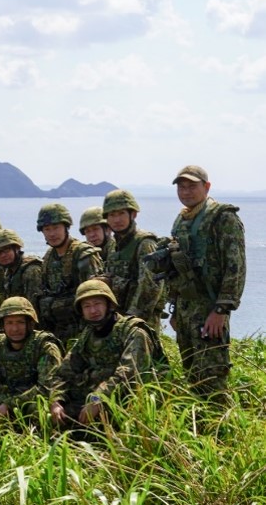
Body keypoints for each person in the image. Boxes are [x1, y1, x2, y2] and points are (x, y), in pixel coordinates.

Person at [161, 165, 246, 402]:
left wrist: (221, 311)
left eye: (192, 186)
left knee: (212, 378)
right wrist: (175, 309)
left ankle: (220, 423)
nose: (186, 192)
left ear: (207, 187)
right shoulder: (182, 220)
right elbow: (177, 269)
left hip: (210, 309)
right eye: (181, 187)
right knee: (192, 375)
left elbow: (235, 267)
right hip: (186, 310)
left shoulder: (223, 217)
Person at [49, 280, 164, 430]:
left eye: (97, 304)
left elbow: (129, 374)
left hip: (133, 398)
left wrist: (97, 399)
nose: (93, 311)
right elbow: (64, 372)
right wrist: (57, 400)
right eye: (87, 306)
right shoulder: (88, 334)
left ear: (109, 305)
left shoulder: (133, 331)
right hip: (100, 396)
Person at [0, 297, 63, 426]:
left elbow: (47, 387)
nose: (15, 328)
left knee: (40, 409)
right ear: (3, 325)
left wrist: (9, 405)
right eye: (9, 323)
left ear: (30, 323)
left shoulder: (44, 346)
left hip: (30, 404)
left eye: (20, 322)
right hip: (2, 403)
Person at [37, 203, 104, 344]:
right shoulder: (48, 258)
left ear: (66, 227)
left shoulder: (83, 255)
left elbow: (96, 299)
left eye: (56, 227)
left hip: (84, 332)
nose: (52, 234)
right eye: (47, 229)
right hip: (58, 332)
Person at [101, 189, 166, 330]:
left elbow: (150, 288)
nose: (117, 220)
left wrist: (131, 322)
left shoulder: (145, 243)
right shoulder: (113, 246)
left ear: (133, 214)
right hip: (118, 321)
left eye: (121, 213)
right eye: (112, 215)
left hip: (139, 324)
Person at [0, 229, 42, 306]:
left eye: (6, 250)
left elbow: (35, 305)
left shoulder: (31, 270)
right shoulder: (10, 272)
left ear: (17, 249)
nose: (3, 255)